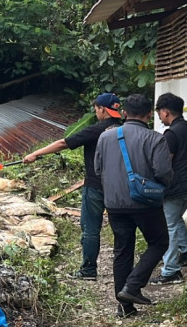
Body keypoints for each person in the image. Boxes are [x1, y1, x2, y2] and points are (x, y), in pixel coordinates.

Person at [23, 93, 123, 280]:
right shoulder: (123, 130)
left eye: (96, 109)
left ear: (102, 109)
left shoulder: (97, 130)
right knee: (121, 228)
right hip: (119, 187)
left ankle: (88, 270)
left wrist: (35, 154)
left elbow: (63, 143)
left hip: (95, 186)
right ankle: (124, 270)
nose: (96, 112)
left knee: (91, 228)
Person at [94, 94, 173, 317]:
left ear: (125, 113)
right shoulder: (156, 139)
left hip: (115, 204)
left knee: (122, 250)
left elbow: (98, 169)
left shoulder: (105, 137)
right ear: (149, 114)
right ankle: (133, 286)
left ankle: (124, 307)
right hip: (145, 203)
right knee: (159, 242)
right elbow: (163, 173)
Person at [149, 93, 187, 285]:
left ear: (165, 112)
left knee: (168, 226)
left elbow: (165, 162)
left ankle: (171, 271)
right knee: (175, 219)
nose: (158, 116)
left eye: (159, 112)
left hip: (176, 187)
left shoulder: (171, 134)